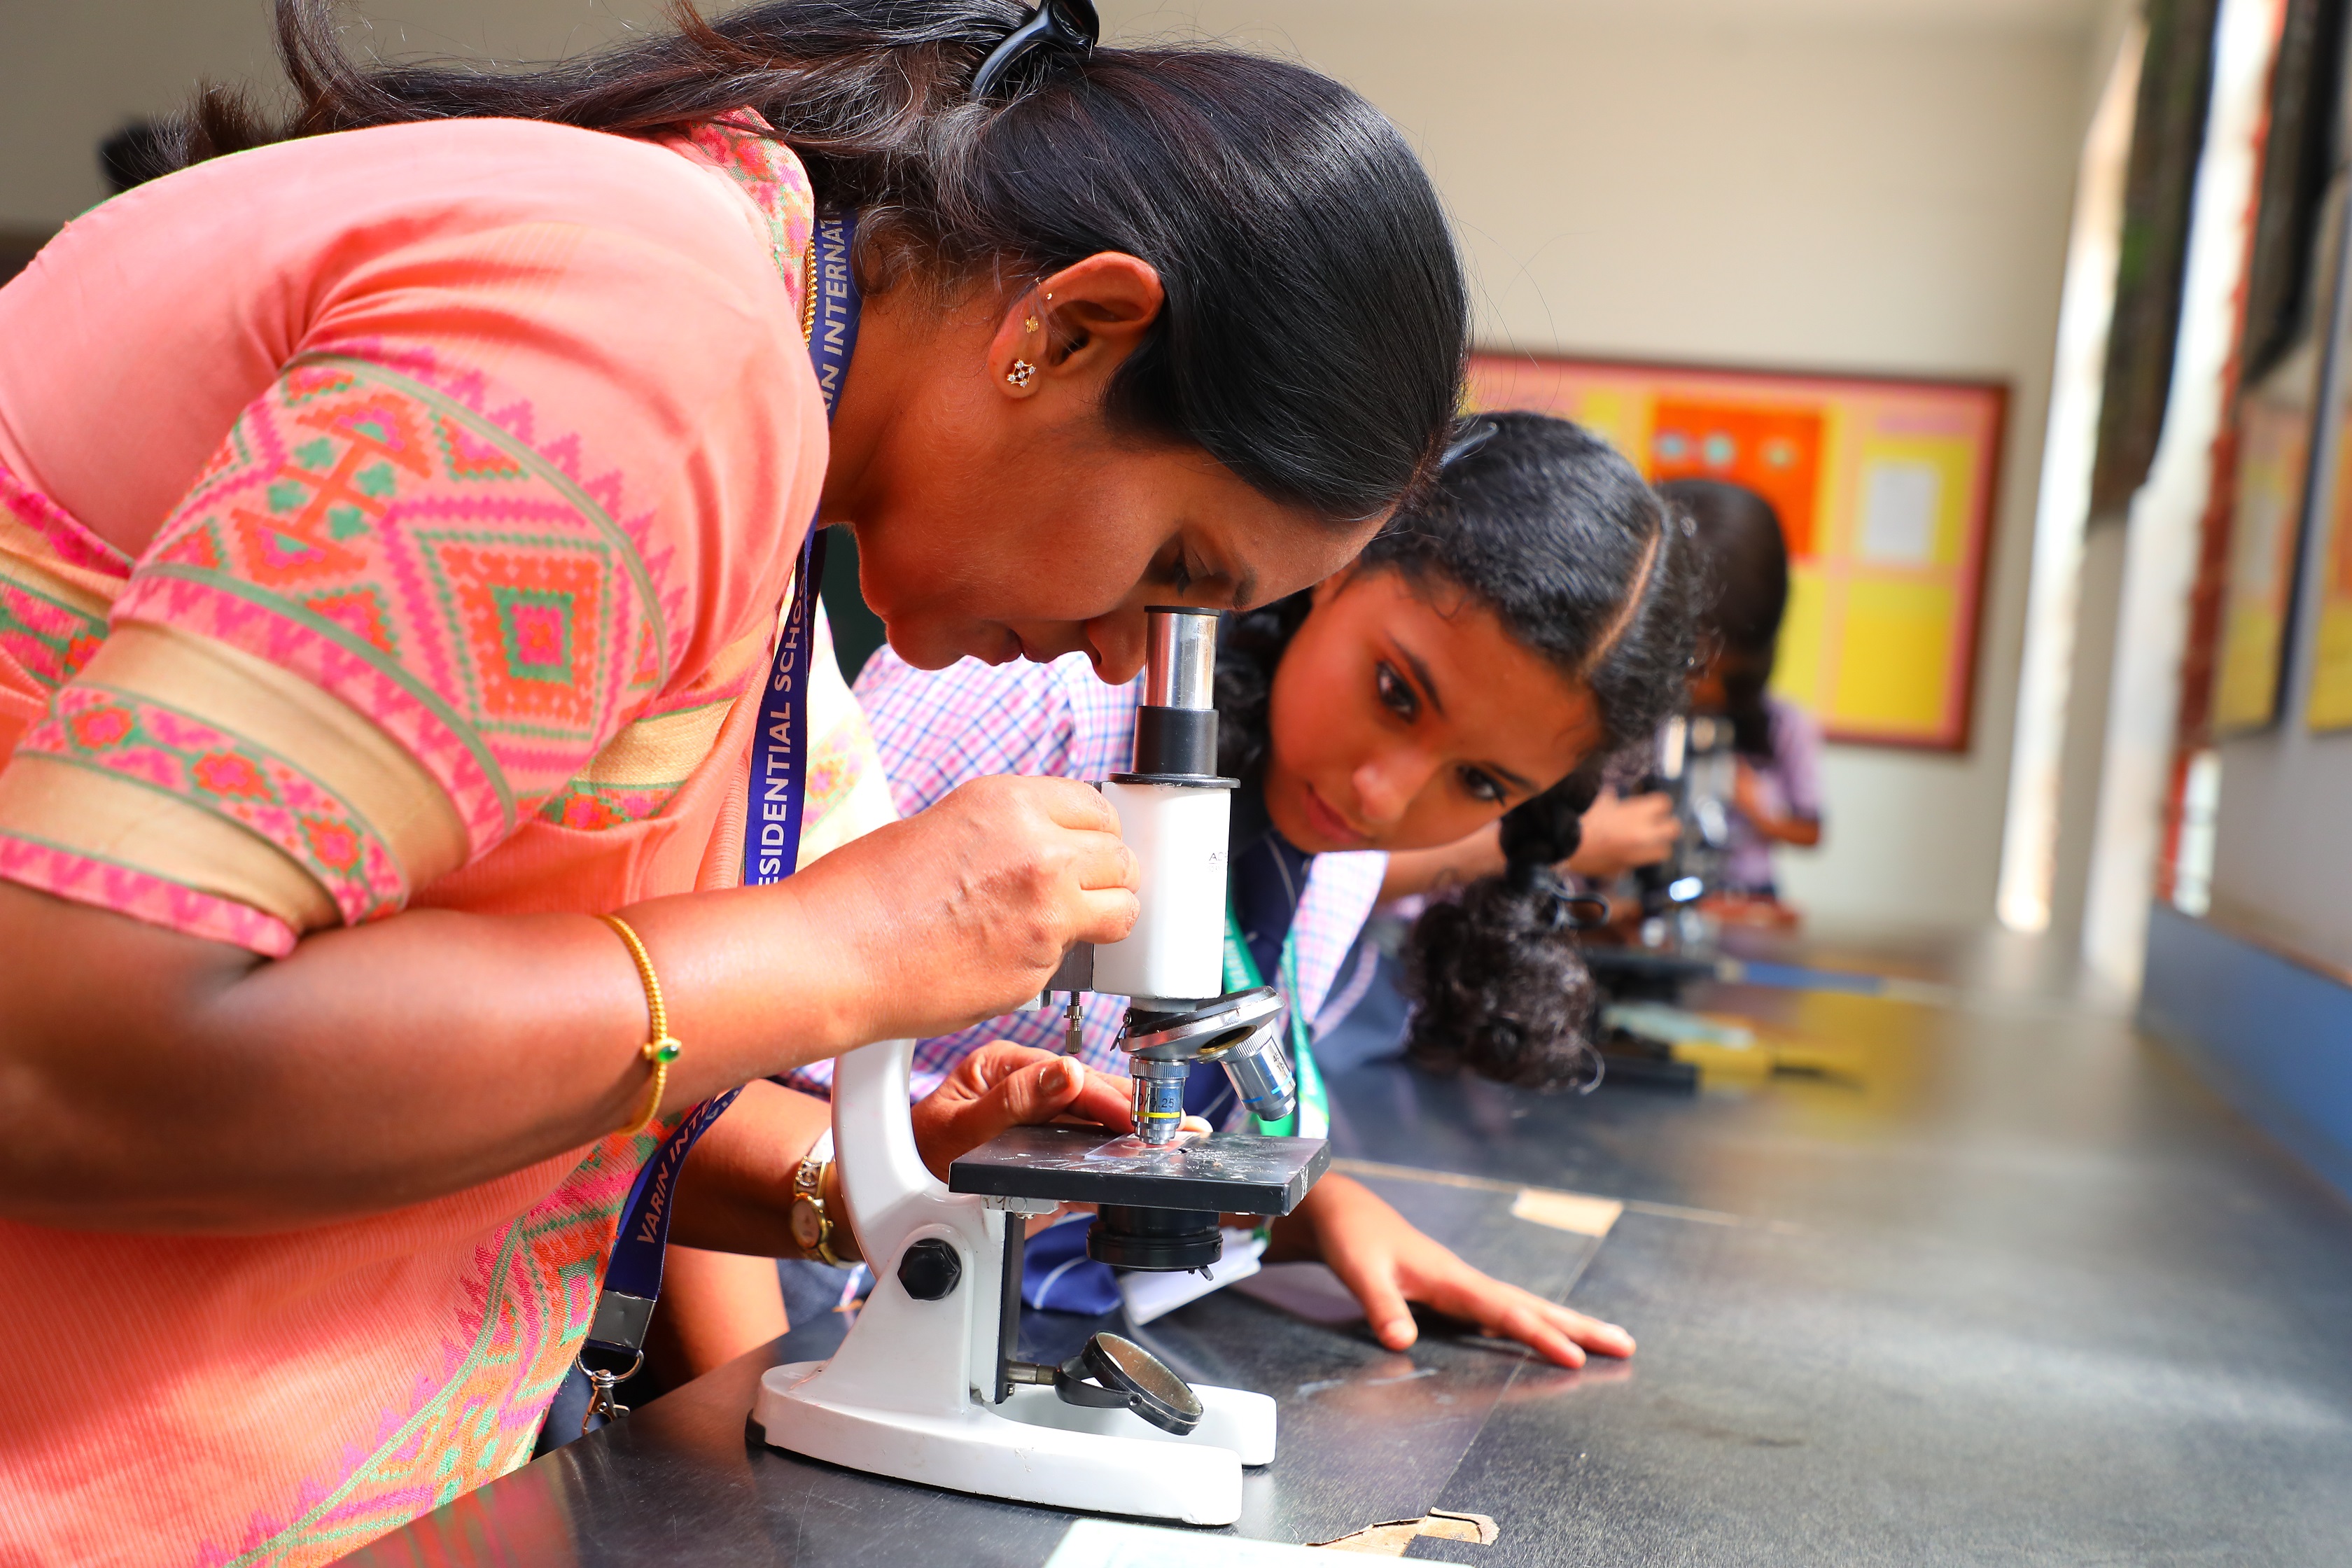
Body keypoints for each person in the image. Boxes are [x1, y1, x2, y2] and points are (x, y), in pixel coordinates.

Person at [0, 0, 1470, 1560]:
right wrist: (844, 948)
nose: (1125, 661)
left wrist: (860, 1179)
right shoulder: (635, 336)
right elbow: (68, 1058)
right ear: (1074, 327)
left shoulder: (743, 366)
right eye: (1174, 567)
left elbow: (450, 1027)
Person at [666, 413, 1693, 1374]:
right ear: (1341, 565)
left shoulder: (1338, 861)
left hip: (999, 1316)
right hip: (786, 1293)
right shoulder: (1030, 693)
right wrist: (736, 1412)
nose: (1384, 793)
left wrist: (1322, 1216)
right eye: (1395, 693)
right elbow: (679, 1077)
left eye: (1479, 783)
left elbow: (1144, 1151)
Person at [1655, 478, 1823, 911]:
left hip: (1748, 896)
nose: (1698, 688)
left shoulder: (1784, 725)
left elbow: (1812, 830)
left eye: (1713, 668)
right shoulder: (1654, 715)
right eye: (1691, 665)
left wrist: (1759, 811)